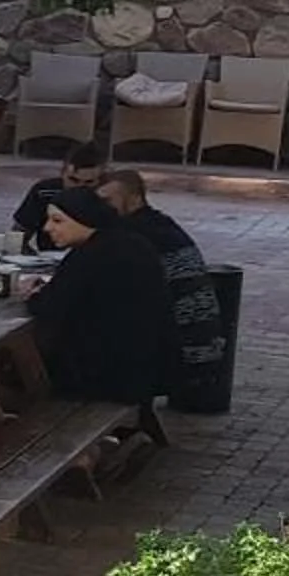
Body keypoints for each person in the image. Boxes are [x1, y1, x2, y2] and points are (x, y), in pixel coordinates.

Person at [25, 185, 175, 404]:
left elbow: (49, 307)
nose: (47, 228)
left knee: (23, 360)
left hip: (108, 377)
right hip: (148, 369)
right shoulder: (132, 242)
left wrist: (33, 295)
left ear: (84, 219)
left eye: (58, 221)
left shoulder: (89, 255)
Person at [102, 170, 227, 409]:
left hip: (183, 352)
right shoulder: (161, 225)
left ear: (134, 199)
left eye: (108, 200)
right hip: (202, 344)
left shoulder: (133, 235)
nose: (101, 208)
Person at [13, 145, 105, 252]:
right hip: (50, 256)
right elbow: (18, 235)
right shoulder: (44, 192)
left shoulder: (107, 197)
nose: (79, 187)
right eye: (73, 180)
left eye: (89, 182)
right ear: (62, 174)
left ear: (100, 180)